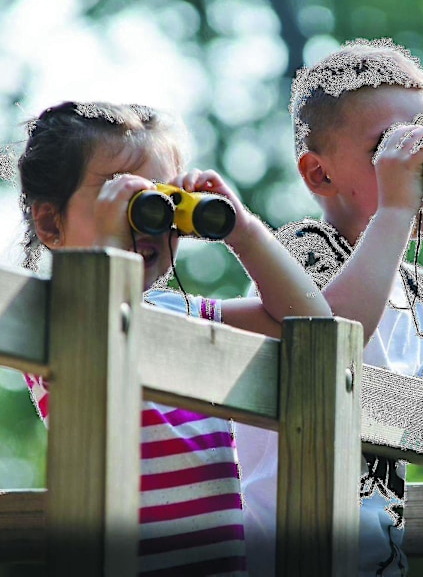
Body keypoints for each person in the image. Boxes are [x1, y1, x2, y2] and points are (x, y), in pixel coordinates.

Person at [236, 38, 423, 576]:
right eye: (392, 149)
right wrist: (395, 209)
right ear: (319, 174)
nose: (418, 172)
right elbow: (328, 332)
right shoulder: (301, 251)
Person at [17, 100, 331, 576]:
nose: (148, 222)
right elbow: (98, 322)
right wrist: (107, 244)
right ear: (49, 223)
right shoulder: (50, 312)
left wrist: (243, 230)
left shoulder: (184, 314)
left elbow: (312, 323)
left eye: (163, 203)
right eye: (127, 200)